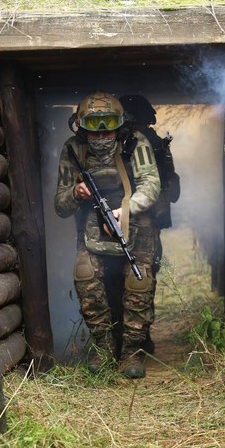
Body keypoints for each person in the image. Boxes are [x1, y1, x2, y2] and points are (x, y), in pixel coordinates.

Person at [54, 91, 161, 378]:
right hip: (92, 227)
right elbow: (60, 206)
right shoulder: (74, 150)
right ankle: (102, 349)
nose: (101, 135)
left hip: (136, 226)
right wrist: (76, 193)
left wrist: (125, 210)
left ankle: (131, 353)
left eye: (108, 125)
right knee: (86, 277)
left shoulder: (135, 143)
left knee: (139, 285)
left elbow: (151, 185)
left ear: (120, 123)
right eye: (94, 127)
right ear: (81, 126)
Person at [116, 95, 181, 354]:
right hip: (141, 221)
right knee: (143, 280)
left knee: (139, 280)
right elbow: (173, 189)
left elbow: (168, 188)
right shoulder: (147, 143)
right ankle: (139, 337)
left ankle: (135, 338)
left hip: (143, 221)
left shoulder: (148, 143)